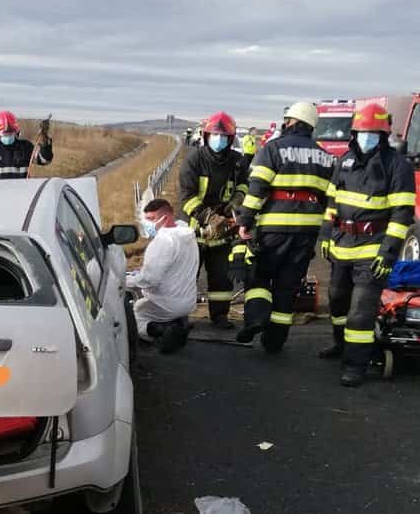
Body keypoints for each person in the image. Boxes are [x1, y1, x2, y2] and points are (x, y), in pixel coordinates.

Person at [317, 103, 416, 387]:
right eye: (361, 132)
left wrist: (388, 252)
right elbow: (332, 201)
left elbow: (401, 214)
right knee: (337, 300)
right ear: (353, 133)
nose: (366, 136)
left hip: (373, 249)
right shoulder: (345, 160)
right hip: (342, 244)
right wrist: (325, 235)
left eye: (372, 132)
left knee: (361, 310)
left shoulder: (397, 166)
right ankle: (340, 344)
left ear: (383, 135)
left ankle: (355, 365)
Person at [234, 100, 335, 353]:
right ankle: (275, 340)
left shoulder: (273, 149)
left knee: (258, 274)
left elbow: (257, 188)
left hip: (274, 227)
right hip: (307, 231)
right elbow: (331, 197)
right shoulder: (325, 156)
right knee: (288, 285)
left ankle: (256, 320)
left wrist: (245, 220)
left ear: (292, 121)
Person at [177, 111, 248, 328]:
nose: (219, 140)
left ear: (231, 139)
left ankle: (220, 315)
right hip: (196, 229)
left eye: (224, 137)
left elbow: (245, 185)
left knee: (221, 277)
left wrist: (236, 200)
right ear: (206, 137)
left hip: (225, 228)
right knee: (188, 275)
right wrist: (209, 217)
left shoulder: (237, 161)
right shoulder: (194, 160)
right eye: (215, 136)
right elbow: (186, 197)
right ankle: (181, 316)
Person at [126, 198, 198, 354]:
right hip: (188, 303)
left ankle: (161, 331)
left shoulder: (163, 241)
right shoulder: (187, 234)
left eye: (151, 219)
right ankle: (178, 324)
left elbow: (149, 279)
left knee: (134, 314)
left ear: (165, 218)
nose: (147, 224)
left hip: (166, 304)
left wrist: (123, 280)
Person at [0, 110, 53, 180]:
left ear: (16, 132)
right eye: (4, 134)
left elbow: (45, 160)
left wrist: (45, 139)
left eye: (10, 133)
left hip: (22, 192)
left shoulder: (25, 147)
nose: (8, 136)